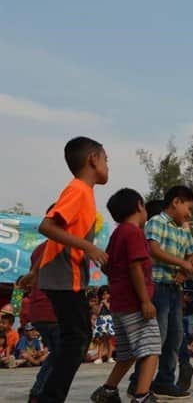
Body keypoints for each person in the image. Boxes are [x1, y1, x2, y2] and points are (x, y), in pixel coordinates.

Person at [37, 136, 109, 403]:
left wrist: (36, 272)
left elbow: (59, 234)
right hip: (64, 277)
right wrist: (89, 248)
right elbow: (47, 226)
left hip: (66, 276)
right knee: (76, 340)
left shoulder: (85, 193)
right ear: (93, 159)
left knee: (76, 339)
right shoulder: (78, 190)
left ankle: (48, 395)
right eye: (106, 159)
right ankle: (48, 397)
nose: (108, 166)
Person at [128, 186, 193, 400]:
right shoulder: (156, 222)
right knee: (155, 338)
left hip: (174, 289)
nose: (190, 214)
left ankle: (164, 381)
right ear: (176, 202)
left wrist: (188, 268)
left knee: (175, 337)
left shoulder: (183, 230)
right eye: (189, 209)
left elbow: (192, 255)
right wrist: (182, 263)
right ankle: (138, 383)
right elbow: (153, 249)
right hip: (157, 287)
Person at [90, 188, 161, 403]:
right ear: (140, 205)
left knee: (128, 352)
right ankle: (142, 395)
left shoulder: (118, 233)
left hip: (119, 304)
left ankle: (108, 390)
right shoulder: (133, 233)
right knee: (151, 348)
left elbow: (107, 266)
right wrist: (145, 301)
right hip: (135, 303)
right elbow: (135, 268)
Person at [18, 238, 60, 402]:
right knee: (62, 354)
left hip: (39, 309)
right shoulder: (59, 245)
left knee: (58, 354)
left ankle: (40, 392)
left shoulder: (38, 249)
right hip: (52, 308)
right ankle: (41, 392)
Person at [93, 285, 115, 364]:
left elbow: (111, 310)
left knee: (109, 340)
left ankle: (110, 357)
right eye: (103, 294)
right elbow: (97, 313)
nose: (105, 296)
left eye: (107, 294)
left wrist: (106, 303)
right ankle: (99, 358)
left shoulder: (111, 301)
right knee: (101, 340)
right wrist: (101, 305)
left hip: (109, 320)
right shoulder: (99, 302)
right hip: (101, 320)